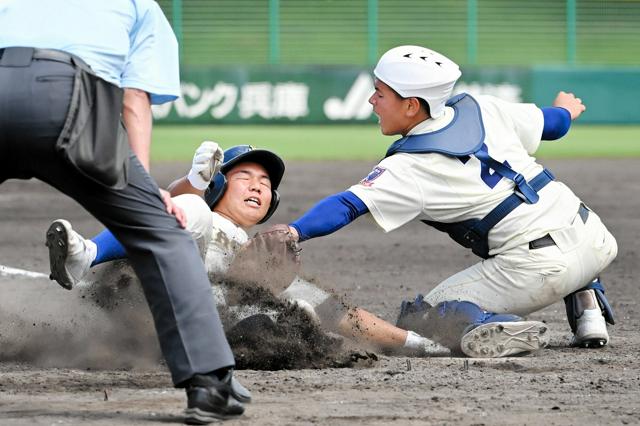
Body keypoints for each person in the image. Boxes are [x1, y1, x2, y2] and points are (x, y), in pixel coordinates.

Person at [269, 45, 618, 358]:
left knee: (419, 319)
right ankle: (588, 306)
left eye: (380, 94)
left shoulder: (409, 166)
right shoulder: (481, 107)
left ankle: (498, 325)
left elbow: (346, 205)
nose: (372, 101)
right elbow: (553, 125)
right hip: (595, 236)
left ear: (410, 105)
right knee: (550, 209)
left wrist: (294, 230)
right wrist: (566, 109)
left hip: (540, 269)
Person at [0, 1, 248, 423]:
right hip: (68, 100)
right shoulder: (137, 5)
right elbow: (133, 100)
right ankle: (208, 383)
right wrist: (147, 190)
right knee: (160, 234)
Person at [48, 142, 446, 356]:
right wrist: (194, 181)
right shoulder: (200, 209)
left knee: (300, 309)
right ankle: (84, 256)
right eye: (244, 176)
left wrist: (420, 343)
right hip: (136, 291)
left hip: (195, 318)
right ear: (218, 185)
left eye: (265, 182)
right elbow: (167, 204)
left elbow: (343, 315)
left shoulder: (260, 253)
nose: (258, 185)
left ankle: (257, 342)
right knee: (185, 210)